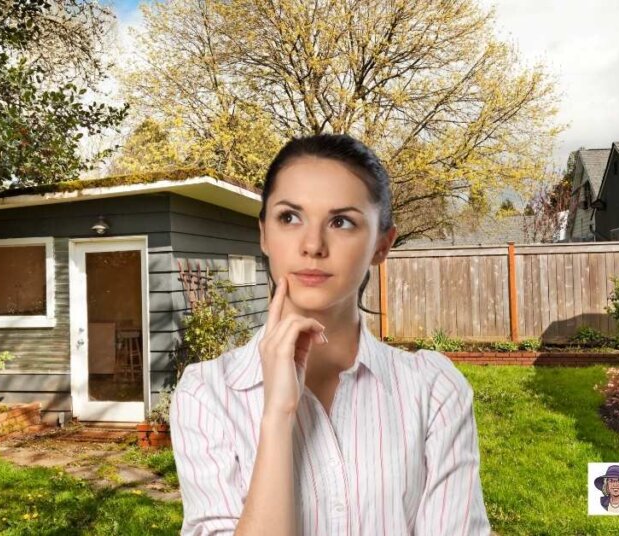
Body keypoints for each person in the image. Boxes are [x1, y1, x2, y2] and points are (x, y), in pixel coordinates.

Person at [170, 133, 491, 535]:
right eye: (290, 217)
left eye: (341, 222)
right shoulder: (207, 395)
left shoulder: (435, 392)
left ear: (381, 245)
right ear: (264, 234)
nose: (312, 245)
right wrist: (277, 417)